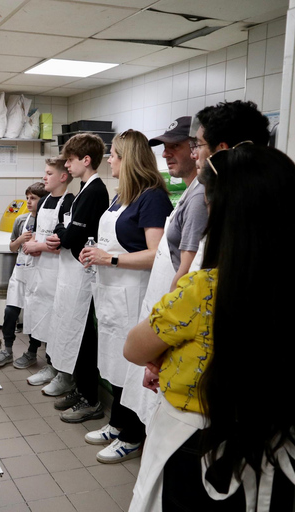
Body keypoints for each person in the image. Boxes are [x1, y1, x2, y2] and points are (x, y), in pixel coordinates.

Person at [124, 145, 295, 511]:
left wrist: (162, 353)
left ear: (226, 217)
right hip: (270, 450)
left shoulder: (202, 289)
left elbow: (135, 348)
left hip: (199, 452)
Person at [78, 129, 172, 462]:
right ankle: (117, 424)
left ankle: (132, 436)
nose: (109, 160)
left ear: (128, 158)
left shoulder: (152, 197)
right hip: (111, 295)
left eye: (114, 154)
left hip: (134, 296)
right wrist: (93, 253)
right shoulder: (122, 196)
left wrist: (110, 258)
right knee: (117, 364)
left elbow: (157, 254)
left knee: (132, 367)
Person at [118, 117, 208, 428]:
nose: (167, 153)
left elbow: (185, 277)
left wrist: (163, 338)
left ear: (197, 149)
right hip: (165, 311)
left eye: (177, 146)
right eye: (165, 148)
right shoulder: (189, 192)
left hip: (173, 314)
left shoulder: (198, 198)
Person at [42, 133, 109, 419]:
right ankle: (81, 390)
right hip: (72, 273)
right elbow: (63, 228)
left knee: (83, 336)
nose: (66, 166)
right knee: (73, 332)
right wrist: (63, 232)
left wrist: (63, 234)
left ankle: (91, 400)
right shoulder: (83, 189)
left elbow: (72, 236)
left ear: (86, 160)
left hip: (84, 274)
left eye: (70, 160)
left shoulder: (95, 191)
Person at [188, 101, 270, 273]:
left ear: (221, 151)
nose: (193, 153)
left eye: (199, 144)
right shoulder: (275, 188)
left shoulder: (236, 219)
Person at [19, 158, 74, 381]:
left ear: (63, 177)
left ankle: (61, 372)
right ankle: (50, 365)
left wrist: (39, 245)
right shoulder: (44, 202)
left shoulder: (70, 202)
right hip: (41, 271)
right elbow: (43, 235)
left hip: (59, 272)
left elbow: (64, 243)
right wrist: (32, 243)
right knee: (41, 317)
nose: (44, 177)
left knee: (58, 323)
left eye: (49, 173)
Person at [0, 181, 48, 367]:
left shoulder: (47, 223)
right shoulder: (20, 220)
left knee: (34, 313)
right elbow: (11, 247)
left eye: (33, 198)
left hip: (37, 273)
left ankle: (32, 352)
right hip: (19, 272)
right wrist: (20, 239)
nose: (29, 201)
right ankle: (7, 350)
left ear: (43, 200)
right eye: (27, 197)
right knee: (10, 312)